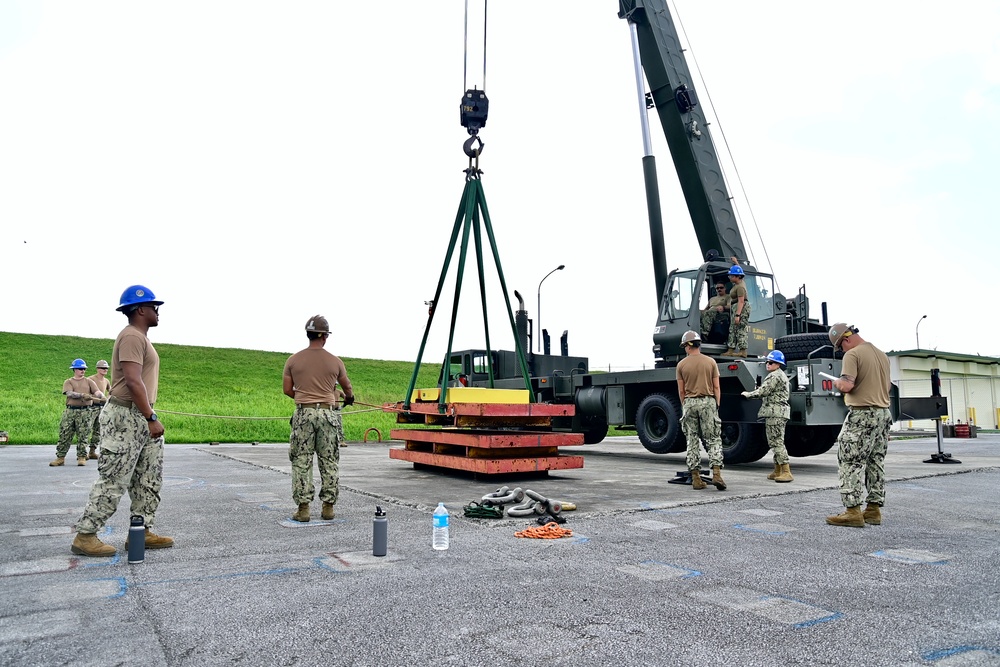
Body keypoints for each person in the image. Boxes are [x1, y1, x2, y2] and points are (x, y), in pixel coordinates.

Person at [71, 285, 173, 557]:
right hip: (127, 415)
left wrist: (149, 415)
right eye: (154, 307)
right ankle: (86, 535)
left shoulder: (141, 338)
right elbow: (132, 379)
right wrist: (150, 416)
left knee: (148, 477)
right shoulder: (131, 336)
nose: (157, 312)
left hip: (140, 415)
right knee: (114, 477)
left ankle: (142, 530)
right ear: (140, 310)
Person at [283, 315, 355, 522]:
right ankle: (328, 508)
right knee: (329, 459)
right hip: (327, 414)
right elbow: (347, 388)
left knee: (301, 460)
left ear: (309, 334)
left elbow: (288, 390)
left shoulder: (293, 360)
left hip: (303, 413)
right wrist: (347, 397)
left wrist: (306, 396)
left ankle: (304, 509)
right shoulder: (335, 361)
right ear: (324, 336)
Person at [826, 322, 892, 528]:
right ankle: (873, 510)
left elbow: (847, 384)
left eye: (839, 347)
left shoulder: (852, 355)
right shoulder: (882, 354)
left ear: (845, 339)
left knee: (849, 460)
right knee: (875, 460)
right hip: (883, 413)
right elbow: (887, 386)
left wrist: (837, 383)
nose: (841, 351)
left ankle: (852, 511)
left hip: (862, 414)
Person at [675, 330, 726, 490]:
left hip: (690, 403)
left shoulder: (681, 365)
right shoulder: (710, 362)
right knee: (713, 439)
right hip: (708, 402)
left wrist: (685, 404)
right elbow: (716, 386)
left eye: (684, 346)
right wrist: (716, 404)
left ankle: (696, 478)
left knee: (692, 439)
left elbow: (681, 391)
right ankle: (716, 474)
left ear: (688, 346)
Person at [741, 350, 792, 482]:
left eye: (771, 362)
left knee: (776, 442)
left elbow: (764, 391)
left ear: (778, 364)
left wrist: (749, 394)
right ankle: (778, 470)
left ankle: (786, 471)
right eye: (767, 362)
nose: (767, 364)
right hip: (778, 412)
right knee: (775, 441)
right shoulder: (780, 375)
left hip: (775, 412)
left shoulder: (774, 376)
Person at [51, 359, 103, 467]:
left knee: (83, 435)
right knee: (65, 434)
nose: (83, 371)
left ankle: (82, 457)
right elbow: (69, 393)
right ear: (74, 369)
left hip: (85, 411)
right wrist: (82, 395)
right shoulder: (69, 382)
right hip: (71, 411)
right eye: (80, 369)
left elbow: (97, 391)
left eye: (84, 369)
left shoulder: (89, 382)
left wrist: (100, 396)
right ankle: (60, 457)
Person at [86, 359, 111, 460]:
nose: (105, 370)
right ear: (97, 369)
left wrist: (108, 398)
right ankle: (82, 452)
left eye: (106, 368)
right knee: (86, 429)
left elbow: (111, 390)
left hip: (102, 407)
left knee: (98, 430)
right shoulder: (90, 379)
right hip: (92, 407)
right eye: (103, 368)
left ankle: (92, 451)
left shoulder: (106, 381)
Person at [724, 262, 750, 357]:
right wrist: (735, 262)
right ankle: (730, 349)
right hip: (735, 307)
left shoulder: (740, 287)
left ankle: (743, 351)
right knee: (732, 328)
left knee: (740, 328)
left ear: (737, 276)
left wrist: (738, 315)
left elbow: (741, 301)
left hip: (741, 308)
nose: (730, 277)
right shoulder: (739, 282)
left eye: (731, 276)